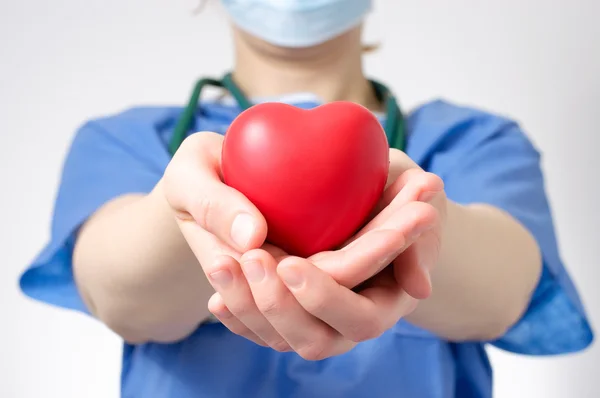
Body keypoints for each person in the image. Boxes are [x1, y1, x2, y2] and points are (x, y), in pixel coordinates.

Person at [19, 1, 594, 397]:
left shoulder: (475, 141)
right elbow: (120, 299)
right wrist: (187, 208)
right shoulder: (127, 141)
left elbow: (504, 296)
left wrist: (414, 215)